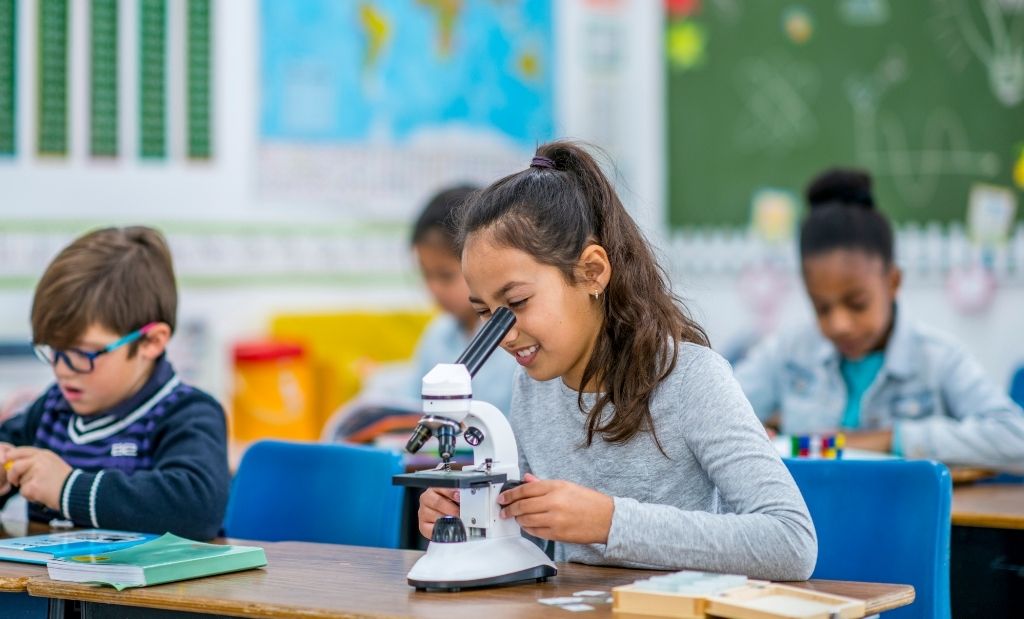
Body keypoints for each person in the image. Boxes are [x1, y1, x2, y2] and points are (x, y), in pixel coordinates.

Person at [418, 142, 817, 580]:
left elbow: (792, 543)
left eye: (517, 301)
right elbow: (531, 546)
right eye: (485, 313)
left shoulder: (691, 379)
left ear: (591, 272)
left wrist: (611, 522)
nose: (504, 335)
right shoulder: (533, 387)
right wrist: (470, 521)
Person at [734, 168, 1024, 471]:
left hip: (904, 517)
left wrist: (890, 439)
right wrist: (748, 436)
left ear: (893, 282)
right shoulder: (789, 351)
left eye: (857, 304)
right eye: (822, 308)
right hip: (812, 517)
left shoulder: (937, 358)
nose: (839, 324)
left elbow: (1016, 438)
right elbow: (715, 414)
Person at [0, 227, 229, 539]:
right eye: (54, 350)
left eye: (85, 353)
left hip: (146, 588)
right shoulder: (52, 409)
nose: (63, 370)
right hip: (47, 585)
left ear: (150, 341)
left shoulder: (188, 413)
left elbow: (197, 508)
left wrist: (68, 488)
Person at [409, 185, 517, 412]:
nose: (434, 288)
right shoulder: (436, 336)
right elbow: (413, 406)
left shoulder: (516, 337)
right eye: (426, 274)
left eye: (445, 276)